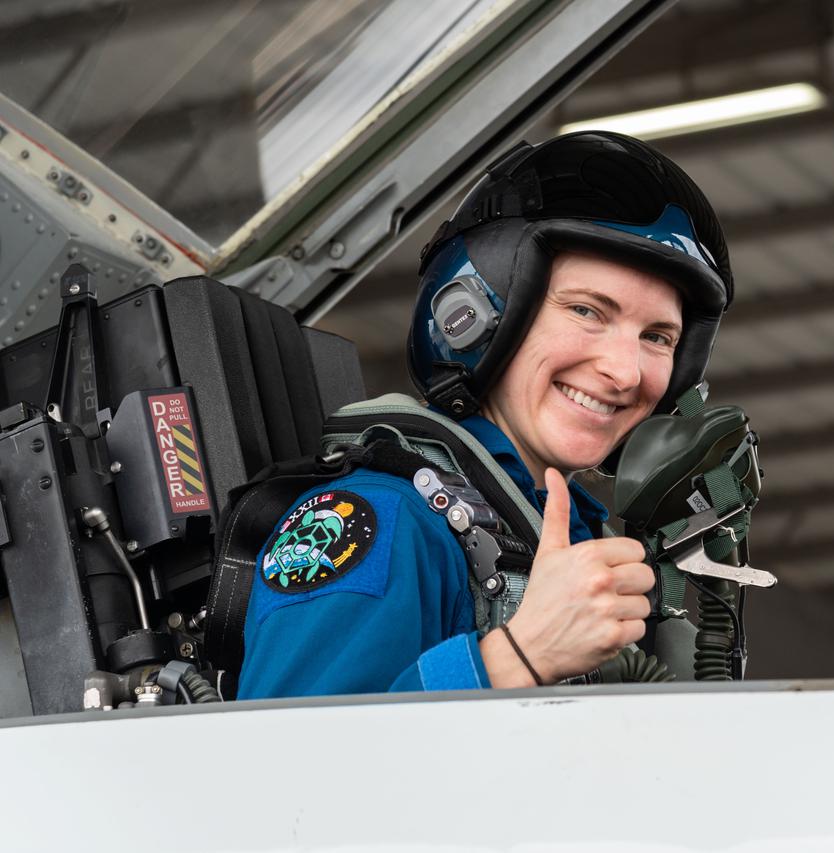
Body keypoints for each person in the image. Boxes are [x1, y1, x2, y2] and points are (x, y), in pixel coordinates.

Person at [237, 131, 732, 697]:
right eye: (586, 311)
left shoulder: (576, 541)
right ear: (473, 311)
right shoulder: (379, 520)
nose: (626, 372)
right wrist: (520, 655)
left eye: (658, 337)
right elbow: (284, 769)